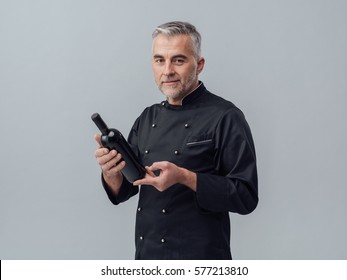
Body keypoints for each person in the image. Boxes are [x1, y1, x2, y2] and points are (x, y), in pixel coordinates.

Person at [94, 21, 258, 260]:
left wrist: (185, 177)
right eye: (159, 60)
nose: (167, 70)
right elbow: (128, 187)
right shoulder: (147, 117)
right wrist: (111, 172)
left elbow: (246, 196)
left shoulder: (225, 116)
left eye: (178, 60)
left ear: (199, 65)